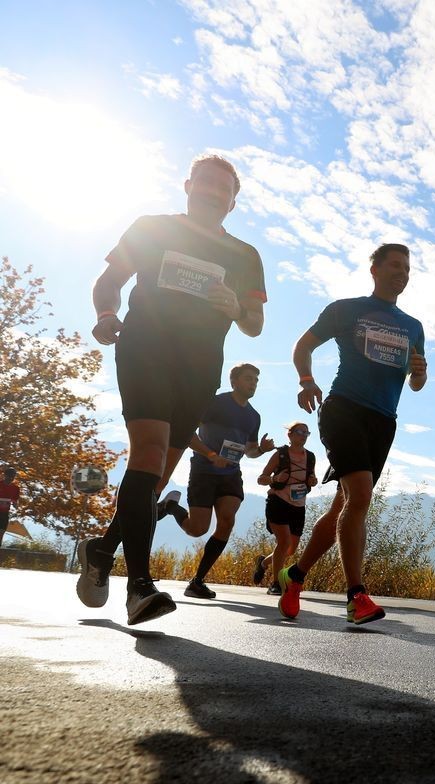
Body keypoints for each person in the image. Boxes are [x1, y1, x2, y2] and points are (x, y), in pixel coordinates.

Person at [75, 154, 266, 625]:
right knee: (148, 453)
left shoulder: (245, 256)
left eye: (223, 189)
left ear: (233, 201)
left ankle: (100, 551)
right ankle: (139, 587)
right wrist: (104, 315)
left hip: (201, 370)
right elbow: (109, 281)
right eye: (205, 184)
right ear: (188, 185)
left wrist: (238, 307)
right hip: (146, 348)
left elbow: (256, 325)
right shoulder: (152, 227)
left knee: (158, 474)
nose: (213, 193)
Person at [277, 243, 426, 625]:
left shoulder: (413, 327)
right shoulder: (345, 309)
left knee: (345, 504)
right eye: (394, 265)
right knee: (360, 496)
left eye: (407, 268)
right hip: (344, 408)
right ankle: (355, 596)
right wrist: (306, 380)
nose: (402, 273)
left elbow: (415, 383)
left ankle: (294, 577)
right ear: (374, 269)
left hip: (383, 421)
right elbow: (303, 345)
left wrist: (420, 373)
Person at [157, 364, 274, 599]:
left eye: (256, 380)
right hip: (203, 471)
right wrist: (210, 455)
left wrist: (261, 449)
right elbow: (187, 432)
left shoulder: (253, 416)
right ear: (234, 382)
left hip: (231, 473)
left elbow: (249, 450)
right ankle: (171, 507)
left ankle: (197, 581)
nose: (253, 383)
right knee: (197, 529)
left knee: (227, 520)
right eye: (248, 379)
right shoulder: (215, 403)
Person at [252, 421, 318, 595]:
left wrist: (313, 481)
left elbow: (312, 477)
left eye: (306, 433)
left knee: (290, 549)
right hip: (278, 501)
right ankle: (276, 583)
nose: (303, 435)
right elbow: (261, 478)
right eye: (299, 432)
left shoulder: (310, 457)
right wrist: (274, 480)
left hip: (299, 505)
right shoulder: (280, 455)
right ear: (289, 434)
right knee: (284, 542)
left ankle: (264, 563)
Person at [0, 467, 20, 539]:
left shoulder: (16, 488)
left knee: (1, 532)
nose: (11, 478)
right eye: (10, 476)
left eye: (13, 476)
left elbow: (15, 501)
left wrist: (16, 506)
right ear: (5, 475)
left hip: (5, 514)